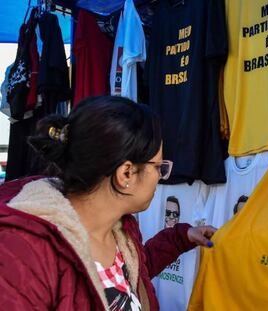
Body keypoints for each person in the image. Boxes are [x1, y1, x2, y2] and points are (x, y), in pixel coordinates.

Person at [0, 96, 216, 311]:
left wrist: (180, 238)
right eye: (159, 167)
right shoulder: (24, 254)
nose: (160, 176)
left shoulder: (119, 231)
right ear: (126, 173)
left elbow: (133, 276)